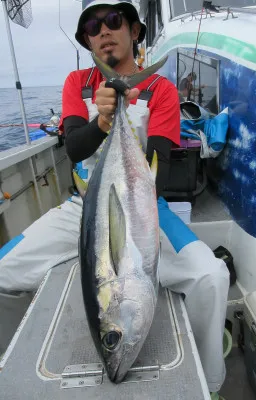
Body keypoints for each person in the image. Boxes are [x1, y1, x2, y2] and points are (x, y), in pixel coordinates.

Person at [0, 1, 229, 398]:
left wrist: (126, 103)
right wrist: (103, 119)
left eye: (113, 20)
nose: (103, 30)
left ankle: (208, 385)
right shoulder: (77, 83)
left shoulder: (161, 89)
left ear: (135, 31)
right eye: (93, 25)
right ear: (88, 41)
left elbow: (159, 155)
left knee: (211, 277)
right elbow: (73, 148)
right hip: (83, 205)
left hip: (142, 208)